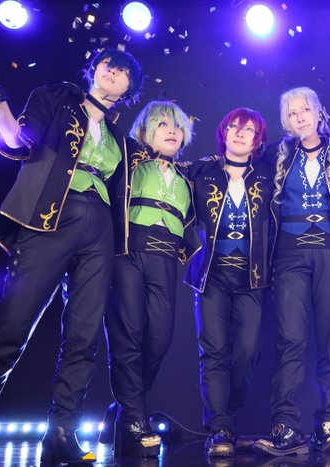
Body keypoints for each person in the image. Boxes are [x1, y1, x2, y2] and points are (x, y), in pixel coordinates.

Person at [0, 49, 143, 464]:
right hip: (51, 216)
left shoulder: (119, 138)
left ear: (129, 88)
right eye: (108, 64)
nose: (113, 71)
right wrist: (0, 101)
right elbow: (17, 142)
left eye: (123, 71)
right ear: (93, 69)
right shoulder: (56, 98)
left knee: (83, 333)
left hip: (100, 229)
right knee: (14, 320)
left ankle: (62, 431)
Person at [253, 87, 330, 457]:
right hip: (289, 254)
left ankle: (329, 422)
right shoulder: (273, 155)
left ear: (319, 111)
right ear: (285, 120)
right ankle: (285, 425)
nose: (299, 117)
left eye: (304, 110)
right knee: (289, 340)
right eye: (291, 113)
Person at [104, 100, 198, 458]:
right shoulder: (129, 160)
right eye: (162, 124)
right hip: (128, 253)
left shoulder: (189, 176)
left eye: (177, 126)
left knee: (160, 335)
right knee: (128, 333)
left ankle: (126, 405)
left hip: (165, 257)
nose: (172, 131)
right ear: (144, 131)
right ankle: (135, 419)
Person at [184, 108, 275, 458]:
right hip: (211, 275)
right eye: (234, 127)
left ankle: (229, 412)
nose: (239, 133)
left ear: (258, 140)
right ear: (223, 132)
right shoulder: (201, 171)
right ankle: (219, 426)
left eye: (248, 129)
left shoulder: (267, 173)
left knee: (247, 351)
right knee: (213, 351)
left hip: (252, 276)